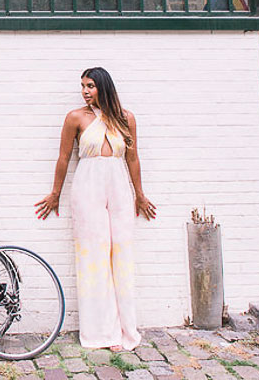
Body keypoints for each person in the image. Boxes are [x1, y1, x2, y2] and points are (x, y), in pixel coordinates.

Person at [34, 67, 155, 351]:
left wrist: (139, 194)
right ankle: (101, 332)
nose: (85, 91)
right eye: (82, 86)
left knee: (121, 253)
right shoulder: (75, 118)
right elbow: (63, 158)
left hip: (119, 188)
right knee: (94, 256)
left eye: (90, 86)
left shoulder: (126, 118)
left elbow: (133, 158)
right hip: (87, 187)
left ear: (103, 87)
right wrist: (55, 194)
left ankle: (125, 329)